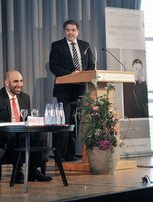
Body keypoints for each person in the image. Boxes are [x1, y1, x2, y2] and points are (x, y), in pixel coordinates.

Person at [0, 69, 52, 183]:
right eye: (15, 81)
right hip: (4, 134)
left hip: (22, 131)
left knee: (40, 133)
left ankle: (33, 171)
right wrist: (7, 124)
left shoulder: (25, 97)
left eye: (21, 81)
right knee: (13, 136)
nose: (19, 85)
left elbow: (27, 117)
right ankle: (18, 172)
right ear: (7, 83)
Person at [49, 19, 95, 161]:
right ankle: (60, 155)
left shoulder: (85, 46)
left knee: (76, 123)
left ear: (77, 31)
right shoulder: (57, 46)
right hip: (64, 91)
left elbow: (91, 65)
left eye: (73, 30)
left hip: (80, 90)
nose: (71, 32)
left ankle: (70, 154)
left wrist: (83, 74)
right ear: (65, 31)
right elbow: (54, 67)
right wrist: (71, 74)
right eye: (68, 30)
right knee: (64, 123)